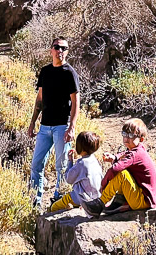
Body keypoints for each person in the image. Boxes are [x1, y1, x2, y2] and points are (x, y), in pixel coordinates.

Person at [28, 36, 80, 210]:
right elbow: (40, 98)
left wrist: (71, 127)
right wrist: (32, 122)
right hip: (45, 126)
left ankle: (58, 199)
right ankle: (35, 201)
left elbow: (75, 102)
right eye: (57, 47)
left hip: (62, 126)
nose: (60, 51)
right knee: (36, 164)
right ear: (51, 50)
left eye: (64, 48)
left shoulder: (69, 73)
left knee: (61, 165)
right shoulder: (45, 72)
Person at [95, 118, 156, 214]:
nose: (126, 138)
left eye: (130, 135)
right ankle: (121, 202)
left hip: (144, 201)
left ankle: (99, 204)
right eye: (124, 134)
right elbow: (126, 154)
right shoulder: (138, 150)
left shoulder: (136, 154)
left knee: (122, 173)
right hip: (145, 199)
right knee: (122, 170)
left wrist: (104, 183)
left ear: (141, 139)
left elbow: (114, 169)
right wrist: (114, 158)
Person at [48, 130, 103, 212]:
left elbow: (68, 179)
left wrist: (70, 161)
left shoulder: (81, 163)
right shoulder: (94, 160)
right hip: (96, 196)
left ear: (81, 148)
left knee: (54, 207)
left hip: (80, 197)